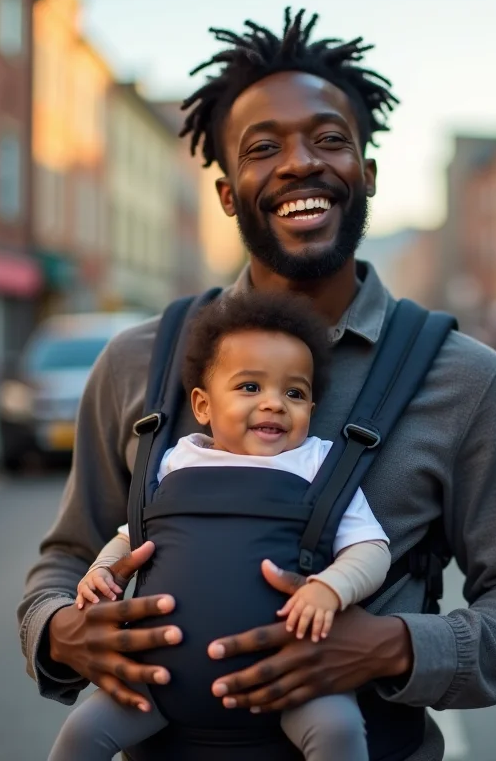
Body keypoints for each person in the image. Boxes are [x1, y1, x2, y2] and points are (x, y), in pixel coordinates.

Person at [19, 8, 496, 761]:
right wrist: (63, 630)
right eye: (262, 148)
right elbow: (64, 560)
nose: (299, 164)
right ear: (225, 193)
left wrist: (391, 647)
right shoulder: (134, 361)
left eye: (330, 139)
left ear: (366, 173)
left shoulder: (468, 381)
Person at [47, 291, 390, 761]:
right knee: (80, 735)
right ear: (203, 405)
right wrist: (104, 570)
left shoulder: (319, 463)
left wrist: (331, 588)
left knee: (339, 730)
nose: (274, 404)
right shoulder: (175, 461)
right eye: (250, 387)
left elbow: (371, 548)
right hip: (162, 678)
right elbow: (133, 536)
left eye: (294, 393)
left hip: (290, 680)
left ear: (312, 408)